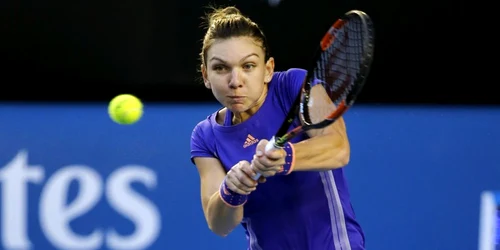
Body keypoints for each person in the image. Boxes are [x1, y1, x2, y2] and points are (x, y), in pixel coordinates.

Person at [190, 5, 365, 250]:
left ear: (268, 69)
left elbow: (338, 147)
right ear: (206, 75)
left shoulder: (293, 85)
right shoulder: (205, 135)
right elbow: (218, 224)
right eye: (221, 68)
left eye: (248, 66)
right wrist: (231, 190)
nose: (235, 81)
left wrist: (286, 157)